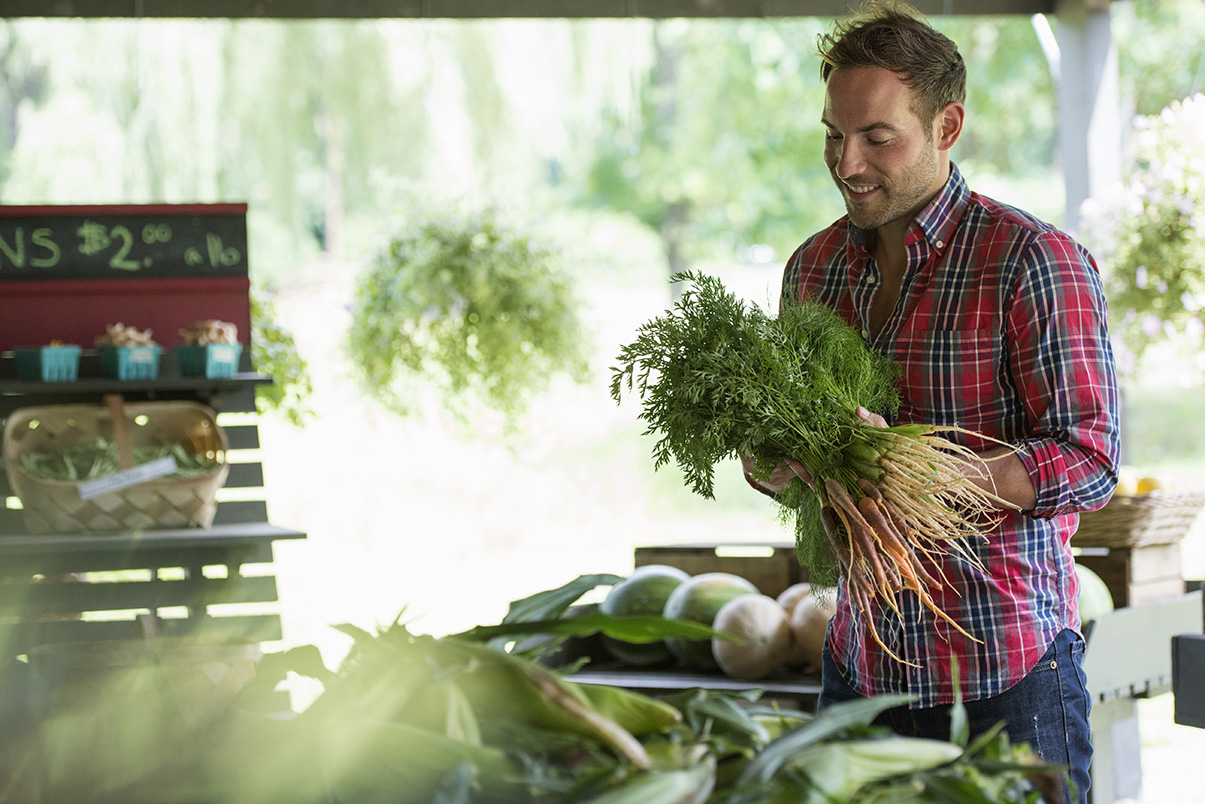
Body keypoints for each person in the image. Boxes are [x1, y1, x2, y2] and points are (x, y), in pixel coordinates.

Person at [741, 3, 1120, 802]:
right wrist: (777, 458)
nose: (846, 162)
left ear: (946, 126)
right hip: (859, 668)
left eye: (877, 137)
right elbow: (770, 462)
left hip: (1004, 676)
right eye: (831, 135)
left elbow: (1089, 456)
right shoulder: (811, 270)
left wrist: (911, 468)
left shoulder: (1031, 261)